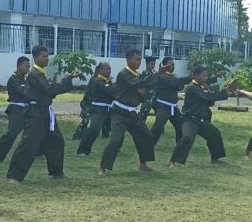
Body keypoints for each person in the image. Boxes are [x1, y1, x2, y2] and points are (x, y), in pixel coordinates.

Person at [7, 45, 80, 184]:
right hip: (36, 113)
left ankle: (56, 172)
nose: (47, 59)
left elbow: (47, 91)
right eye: (44, 56)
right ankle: (14, 176)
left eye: (47, 56)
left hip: (45, 112)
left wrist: (64, 81)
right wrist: (66, 80)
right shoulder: (34, 74)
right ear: (35, 57)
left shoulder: (40, 73)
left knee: (56, 141)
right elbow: (49, 91)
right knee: (28, 144)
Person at [98, 48, 157, 176]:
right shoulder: (123, 74)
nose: (139, 62)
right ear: (129, 59)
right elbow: (140, 83)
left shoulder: (136, 75)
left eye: (140, 59)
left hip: (132, 114)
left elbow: (142, 94)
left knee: (146, 136)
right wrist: (155, 75)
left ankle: (143, 164)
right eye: (137, 59)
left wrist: (142, 94)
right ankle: (103, 168)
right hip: (119, 113)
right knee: (115, 140)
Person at [169, 66, 235, 167]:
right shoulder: (192, 87)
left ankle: (215, 159)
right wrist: (226, 90)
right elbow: (207, 97)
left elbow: (208, 100)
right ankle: (173, 161)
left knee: (214, 134)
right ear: (195, 76)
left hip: (200, 121)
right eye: (204, 75)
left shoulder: (200, 87)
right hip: (190, 120)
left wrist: (223, 91)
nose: (206, 78)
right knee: (187, 138)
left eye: (206, 75)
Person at [0, 56, 33, 163]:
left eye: (29, 67)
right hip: (17, 110)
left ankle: (38, 152)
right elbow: (22, 91)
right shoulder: (13, 79)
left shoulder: (24, 79)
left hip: (27, 109)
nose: (28, 69)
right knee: (11, 134)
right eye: (26, 66)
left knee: (35, 132)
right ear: (19, 66)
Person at [149, 56, 192, 146]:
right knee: (159, 125)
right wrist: (188, 78)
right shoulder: (161, 75)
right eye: (171, 64)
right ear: (164, 66)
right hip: (162, 105)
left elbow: (179, 86)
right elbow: (174, 83)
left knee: (180, 124)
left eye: (173, 64)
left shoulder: (172, 76)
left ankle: (180, 145)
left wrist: (179, 83)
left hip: (172, 106)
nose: (173, 66)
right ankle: (148, 144)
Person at [75, 61, 115, 156]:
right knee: (94, 129)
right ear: (100, 70)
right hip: (99, 110)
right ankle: (83, 150)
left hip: (109, 109)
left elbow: (113, 92)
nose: (110, 71)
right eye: (107, 68)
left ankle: (116, 149)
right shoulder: (96, 81)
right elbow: (111, 91)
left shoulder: (107, 81)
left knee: (118, 128)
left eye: (110, 68)